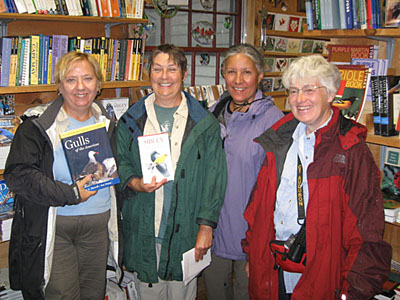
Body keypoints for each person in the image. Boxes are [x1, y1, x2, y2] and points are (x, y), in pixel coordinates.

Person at [242, 54, 392, 300]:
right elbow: (257, 207)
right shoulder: (278, 140)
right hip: (273, 270)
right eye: (293, 91)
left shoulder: (351, 150)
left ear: (331, 94)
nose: (299, 99)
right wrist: (252, 254)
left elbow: (367, 234)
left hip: (323, 279)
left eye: (309, 90)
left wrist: (354, 292)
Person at [4, 51, 121, 300]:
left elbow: (122, 168)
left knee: (94, 294)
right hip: (56, 230)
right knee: (62, 295)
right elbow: (19, 175)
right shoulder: (37, 126)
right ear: (59, 86)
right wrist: (71, 193)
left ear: (98, 85)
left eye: (88, 79)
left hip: (98, 228)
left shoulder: (109, 124)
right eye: (71, 80)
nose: (80, 87)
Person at [115, 44, 227, 300]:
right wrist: (135, 182)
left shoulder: (205, 124)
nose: (164, 76)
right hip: (145, 228)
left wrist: (206, 227)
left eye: (172, 69)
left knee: (182, 293)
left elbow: (215, 178)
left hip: (186, 230)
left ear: (184, 73)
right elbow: (120, 161)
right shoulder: (131, 120)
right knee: (147, 292)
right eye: (158, 69)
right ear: (149, 73)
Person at [203, 44, 283, 300]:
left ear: (260, 75)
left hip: (251, 236)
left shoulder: (273, 121)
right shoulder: (214, 112)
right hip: (212, 229)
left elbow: (279, 186)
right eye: (231, 72)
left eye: (246, 72)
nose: (238, 80)